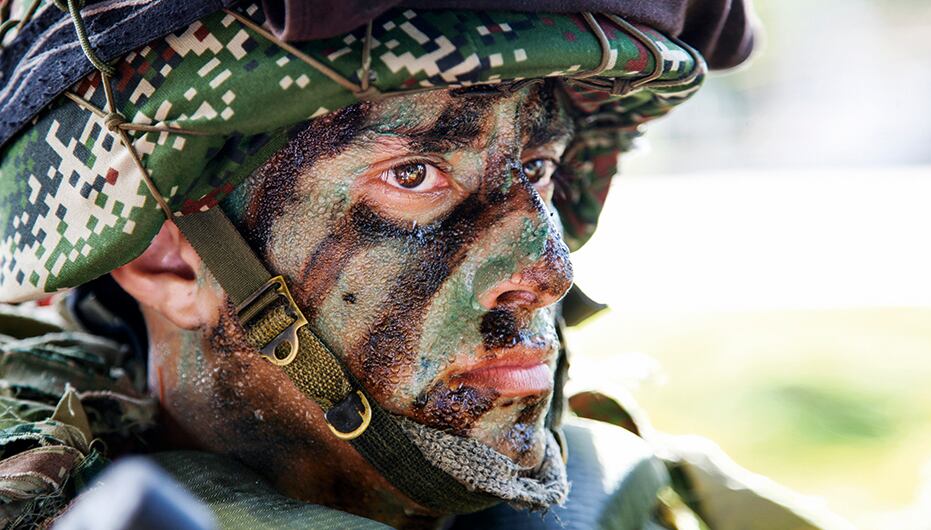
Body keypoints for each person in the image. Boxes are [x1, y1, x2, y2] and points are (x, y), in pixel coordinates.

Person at [0, 0, 847, 528]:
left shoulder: (633, 495)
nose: (546, 270)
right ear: (167, 261)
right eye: (414, 176)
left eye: (541, 172)